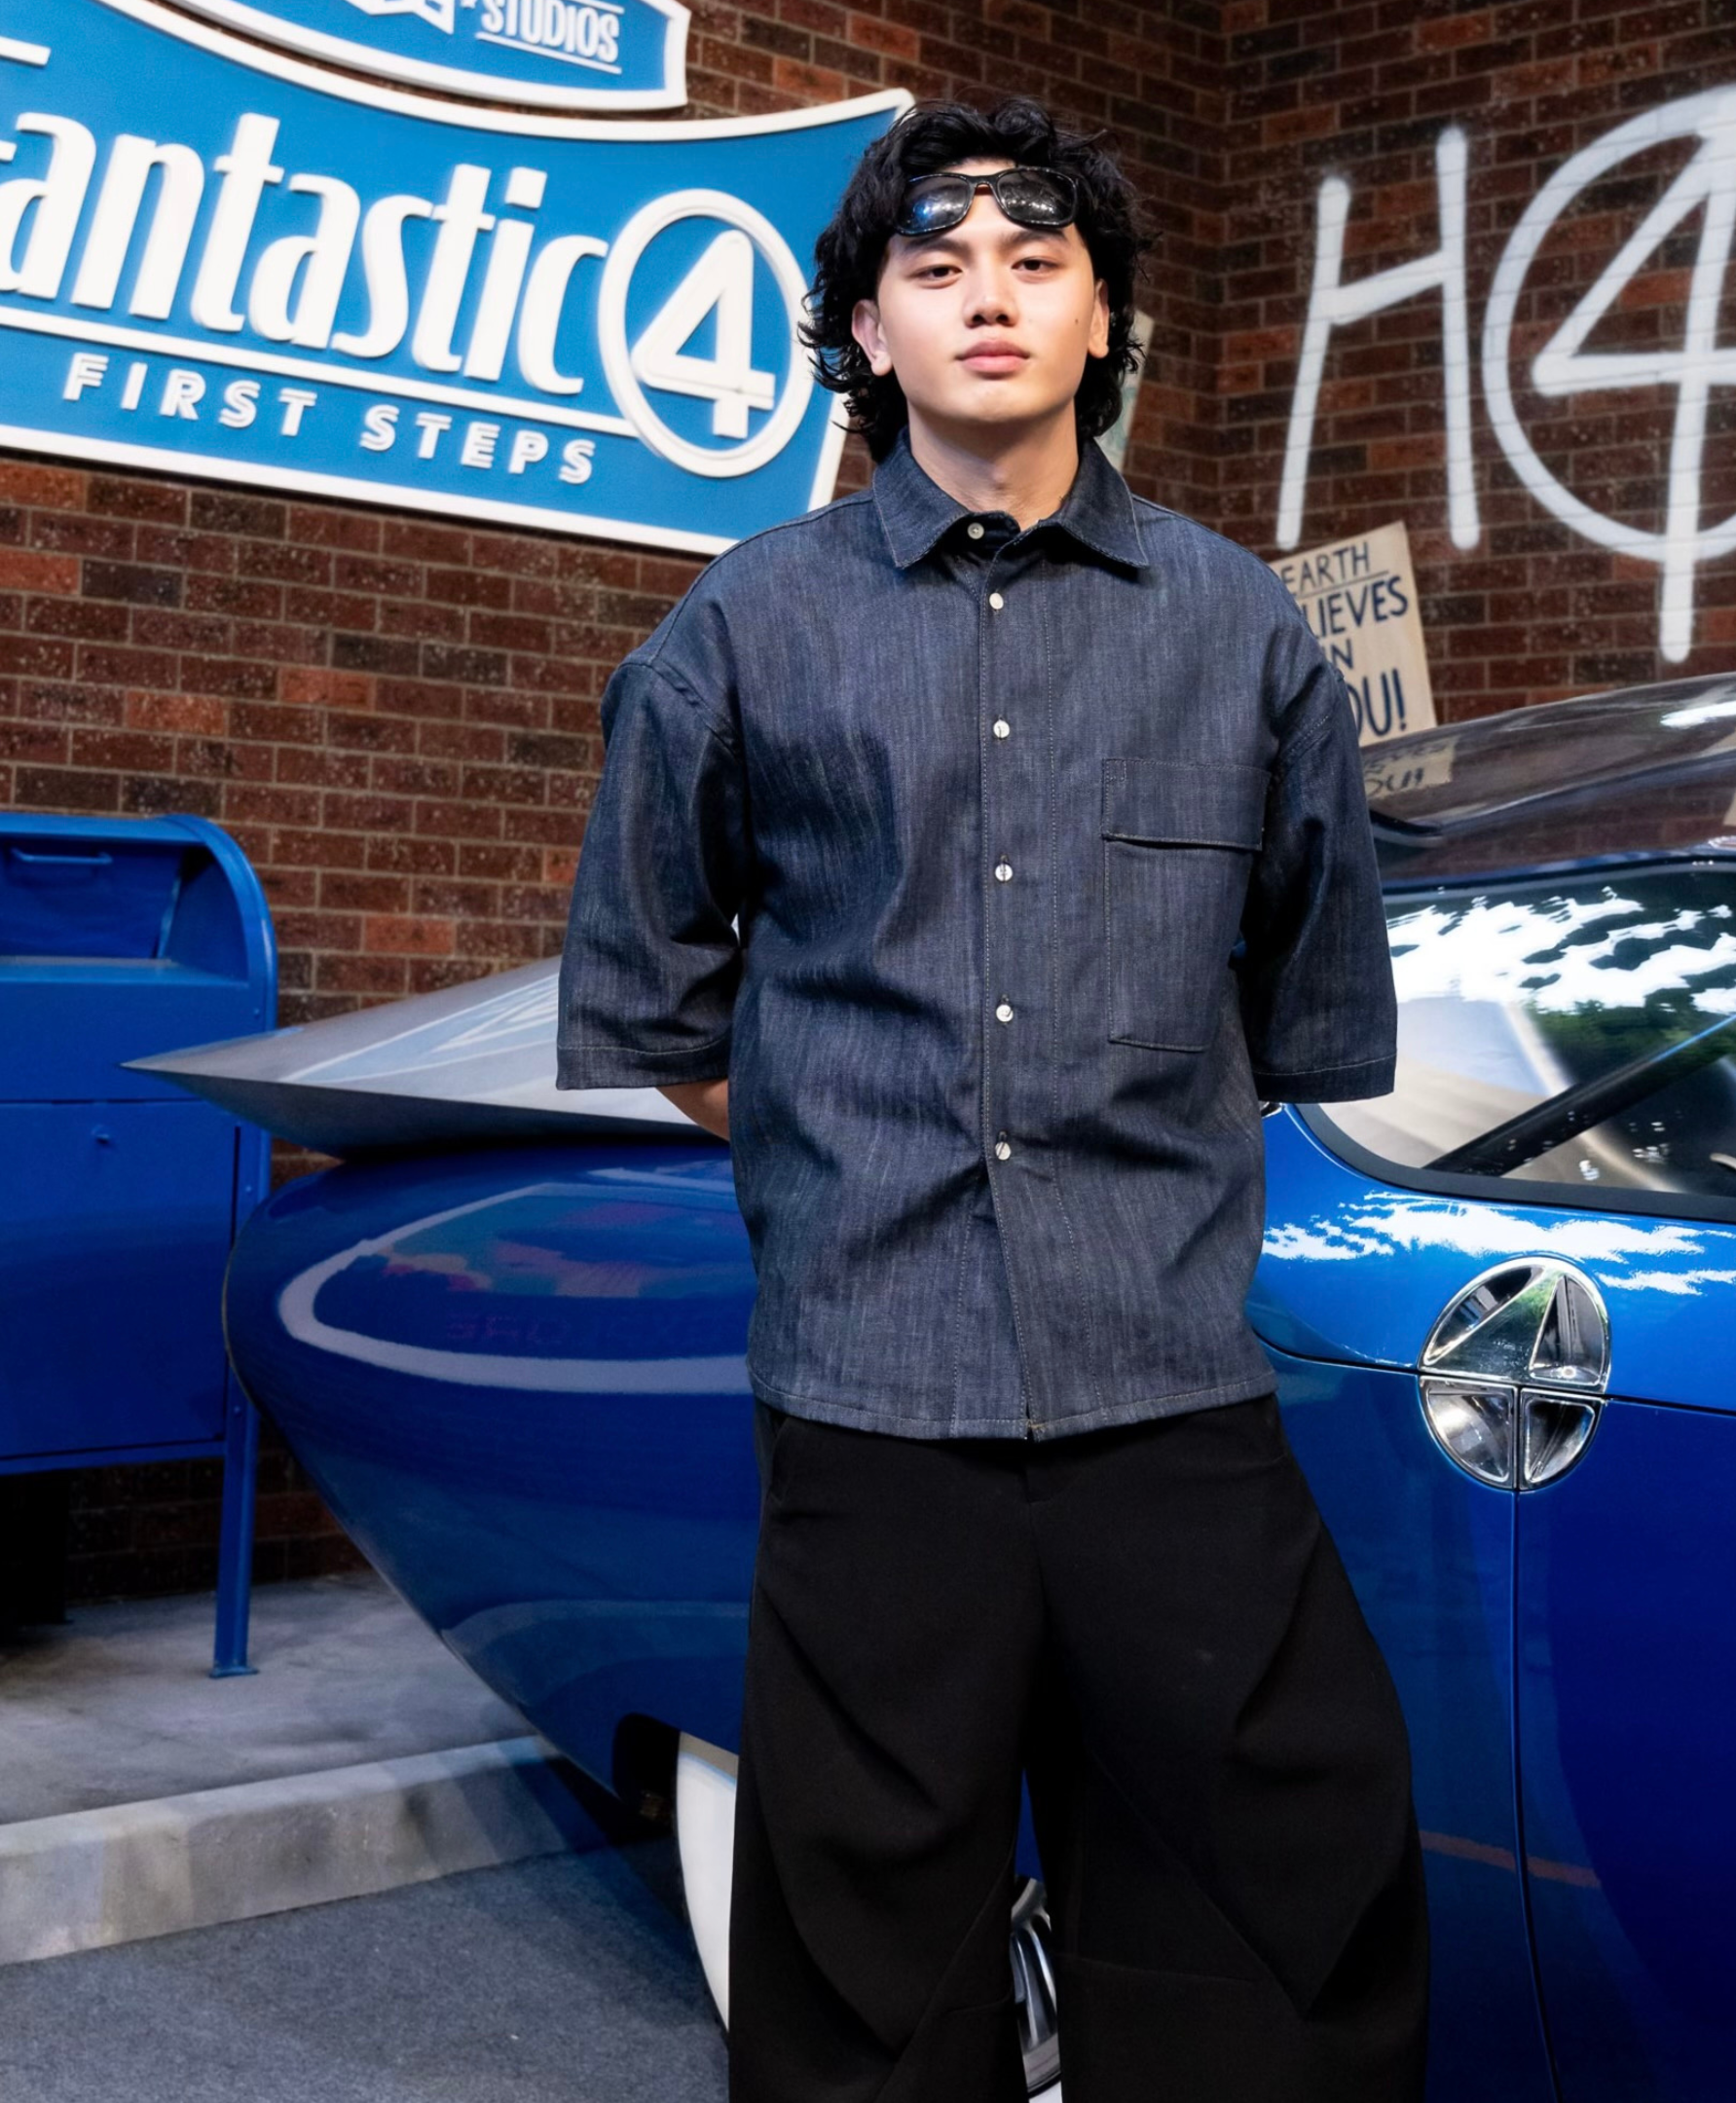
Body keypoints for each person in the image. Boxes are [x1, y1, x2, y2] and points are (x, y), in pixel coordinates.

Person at [553, 93, 1428, 2103]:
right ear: (866, 331)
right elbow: (664, 1012)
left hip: (1173, 1394)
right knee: (867, 1961)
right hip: (873, 1402)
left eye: (1037, 262)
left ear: (1103, 313)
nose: (989, 302)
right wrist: (853, 1148)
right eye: (935, 270)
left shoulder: (1241, 631)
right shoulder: (741, 632)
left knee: (1282, 1912)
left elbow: (1308, 1016)